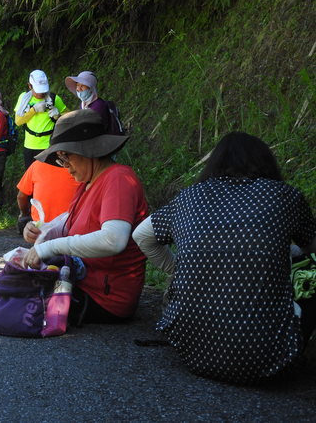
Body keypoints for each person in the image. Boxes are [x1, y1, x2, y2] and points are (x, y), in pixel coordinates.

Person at [132, 132, 316, 385]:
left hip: (192, 350)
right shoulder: (283, 195)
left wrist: (178, 269)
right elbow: (311, 248)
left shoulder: (189, 197)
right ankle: (297, 353)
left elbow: (141, 235)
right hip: (267, 357)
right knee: (310, 273)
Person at [0, 109, 149, 325]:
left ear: (87, 150)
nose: (65, 167)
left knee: (26, 293)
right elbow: (70, 223)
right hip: (80, 280)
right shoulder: (88, 183)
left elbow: (113, 240)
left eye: (65, 157)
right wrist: (42, 230)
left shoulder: (118, 179)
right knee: (27, 274)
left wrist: (50, 247)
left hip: (104, 297)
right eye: (61, 160)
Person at [14, 70, 67, 169]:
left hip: (49, 146)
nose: (41, 93)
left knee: (50, 176)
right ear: (30, 86)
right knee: (32, 176)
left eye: (43, 90)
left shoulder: (54, 98)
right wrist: (33, 110)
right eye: (38, 90)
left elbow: (69, 118)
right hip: (30, 146)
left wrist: (58, 115)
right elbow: (18, 121)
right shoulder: (24, 98)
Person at [16, 160, 79, 234]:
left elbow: (21, 197)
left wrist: (25, 213)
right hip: (70, 226)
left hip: (40, 227)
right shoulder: (79, 167)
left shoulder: (37, 165)